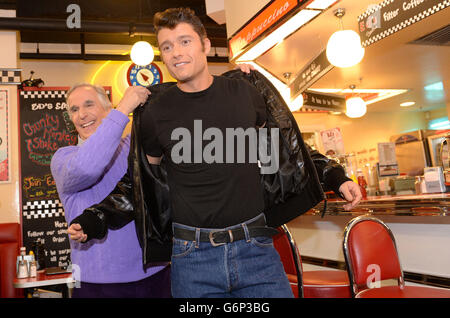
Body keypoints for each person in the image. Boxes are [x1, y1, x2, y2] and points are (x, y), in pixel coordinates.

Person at [68, 8, 361, 298]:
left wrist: (334, 176)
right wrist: (96, 219)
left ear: (205, 44)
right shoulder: (156, 111)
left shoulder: (245, 93)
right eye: (167, 46)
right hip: (192, 259)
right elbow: (140, 184)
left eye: (185, 41)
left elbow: (285, 149)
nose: (176, 53)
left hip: (256, 250)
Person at [50, 84, 171, 298]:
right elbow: (89, 167)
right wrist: (124, 109)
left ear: (108, 109)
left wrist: (236, 81)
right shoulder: (63, 159)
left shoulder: (132, 147)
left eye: (89, 105)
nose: (82, 114)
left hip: (155, 273)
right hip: (96, 284)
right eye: (74, 110)